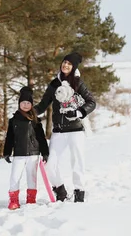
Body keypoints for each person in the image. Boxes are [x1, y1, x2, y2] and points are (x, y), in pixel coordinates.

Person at [34, 52, 96, 203]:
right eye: (64, 62)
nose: (65, 65)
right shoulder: (54, 84)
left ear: (73, 67)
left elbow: (91, 102)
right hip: (59, 131)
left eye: (69, 64)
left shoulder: (77, 83)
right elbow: (43, 105)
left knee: (77, 162)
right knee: (50, 164)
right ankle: (60, 191)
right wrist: (28, 113)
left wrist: (79, 112)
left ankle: (79, 193)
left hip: (75, 130)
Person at [3, 86, 49, 210]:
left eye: (28, 103)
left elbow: (42, 138)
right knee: (15, 177)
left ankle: (31, 199)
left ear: (31, 105)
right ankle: (13, 200)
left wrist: (45, 153)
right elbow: (9, 138)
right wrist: (7, 152)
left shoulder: (35, 120)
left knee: (32, 177)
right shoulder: (13, 121)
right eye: (23, 102)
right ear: (19, 104)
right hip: (19, 153)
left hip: (34, 153)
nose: (26, 105)